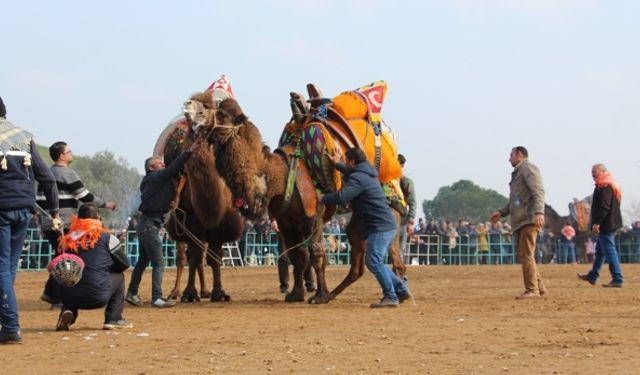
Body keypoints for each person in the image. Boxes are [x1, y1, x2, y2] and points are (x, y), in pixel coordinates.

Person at [0, 96, 60, 344]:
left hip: (2, 208)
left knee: (2, 268)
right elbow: (47, 178)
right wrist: (54, 211)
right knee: (8, 268)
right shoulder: (23, 135)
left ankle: (11, 326)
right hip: (25, 208)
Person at [319, 148, 410, 308]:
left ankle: (391, 296)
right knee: (375, 261)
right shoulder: (367, 173)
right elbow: (350, 172)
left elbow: (343, 197)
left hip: (379, 226)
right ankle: (401, 289)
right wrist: (338, 164)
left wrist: (322, 198)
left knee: (373, 261)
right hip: (384, 224)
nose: (346, 163)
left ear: (353, 162)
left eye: (347, 161)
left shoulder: (359, 178)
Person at [37, 141, 117, 306]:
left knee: (60, 255)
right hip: (64, 222)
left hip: (48, 222)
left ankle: (51, 292)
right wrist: (104, 204)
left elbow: (38, 200)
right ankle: (57, 296)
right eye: (69, 151)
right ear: (62, 156)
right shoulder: (68, 174)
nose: (71, 154)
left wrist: (42, 222)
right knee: (66, 259)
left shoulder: (45, 174)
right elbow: (84, 196)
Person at [125, 142, 197, 308]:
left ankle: (131, 292)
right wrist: (189, 151)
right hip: (150, 225)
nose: (163, 164)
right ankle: (157, 298)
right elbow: (173, 168)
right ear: (151, 167)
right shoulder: (156, 177)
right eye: (159, 163)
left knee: (142, 261)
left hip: (146, 224)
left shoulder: (151, 181)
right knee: (159, 263)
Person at [55, 203, 132, 331]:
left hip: (67, 296)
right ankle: (113, 318)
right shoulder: (107, 237)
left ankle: (68, 311)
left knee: (69, 275)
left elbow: (58, 265)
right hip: (96, 295)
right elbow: (124, 264)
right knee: (119, 277)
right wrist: (106, 268)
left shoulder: (67, 239)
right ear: (98, 217)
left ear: (78, 217)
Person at [490, 146, 547, 299]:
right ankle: (539, 288)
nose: (509, 159)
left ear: (520, 155)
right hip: (521, 220)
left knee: (526, 254)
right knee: (525, 255)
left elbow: (538, 191)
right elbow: (516, 201)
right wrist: (501, 212)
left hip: (529, 219)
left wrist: (539, 212)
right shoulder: (518, 173)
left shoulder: (528, 168)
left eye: (511, 155)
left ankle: (532, 290)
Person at [578, 164, 624, 287]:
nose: (593, 174)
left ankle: (617, 279)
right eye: (592, 172)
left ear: (603, 171)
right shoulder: (610, 183)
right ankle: (593, 276)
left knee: (609, 251)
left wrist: (597, 222)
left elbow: (604, 206)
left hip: (606, 224)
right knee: (600, 251)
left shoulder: (604, 185)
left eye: (595, 172)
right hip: (610, 222)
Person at [397, 154, 416, 264]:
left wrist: (411, 221)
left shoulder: (407, 182)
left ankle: (399, 271)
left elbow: (413, 203)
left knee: (400, 248)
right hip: (386, 221)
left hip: (402, 221)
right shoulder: (385, 181)